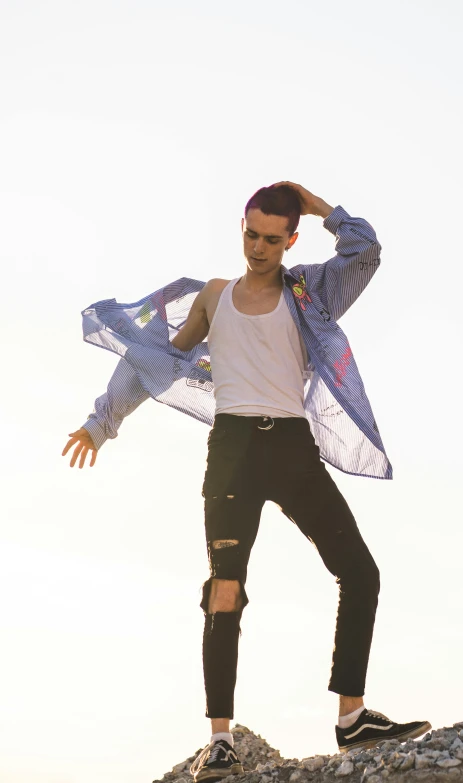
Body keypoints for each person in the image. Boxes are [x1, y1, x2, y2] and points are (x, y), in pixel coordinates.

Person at [63, 182, 431, 782]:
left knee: (360, 571)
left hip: (291, 447)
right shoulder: (213, 297)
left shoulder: (310, 293)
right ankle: (220, 740)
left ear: (290, 240)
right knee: (225, 590)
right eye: (250, 234)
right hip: (233, 450)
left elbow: (365, 250)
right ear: (241, 228)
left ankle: (352, 718)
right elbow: (153, 361)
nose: (258, 249)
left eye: (271, 239)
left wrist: (315, 205)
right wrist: (101, 423)